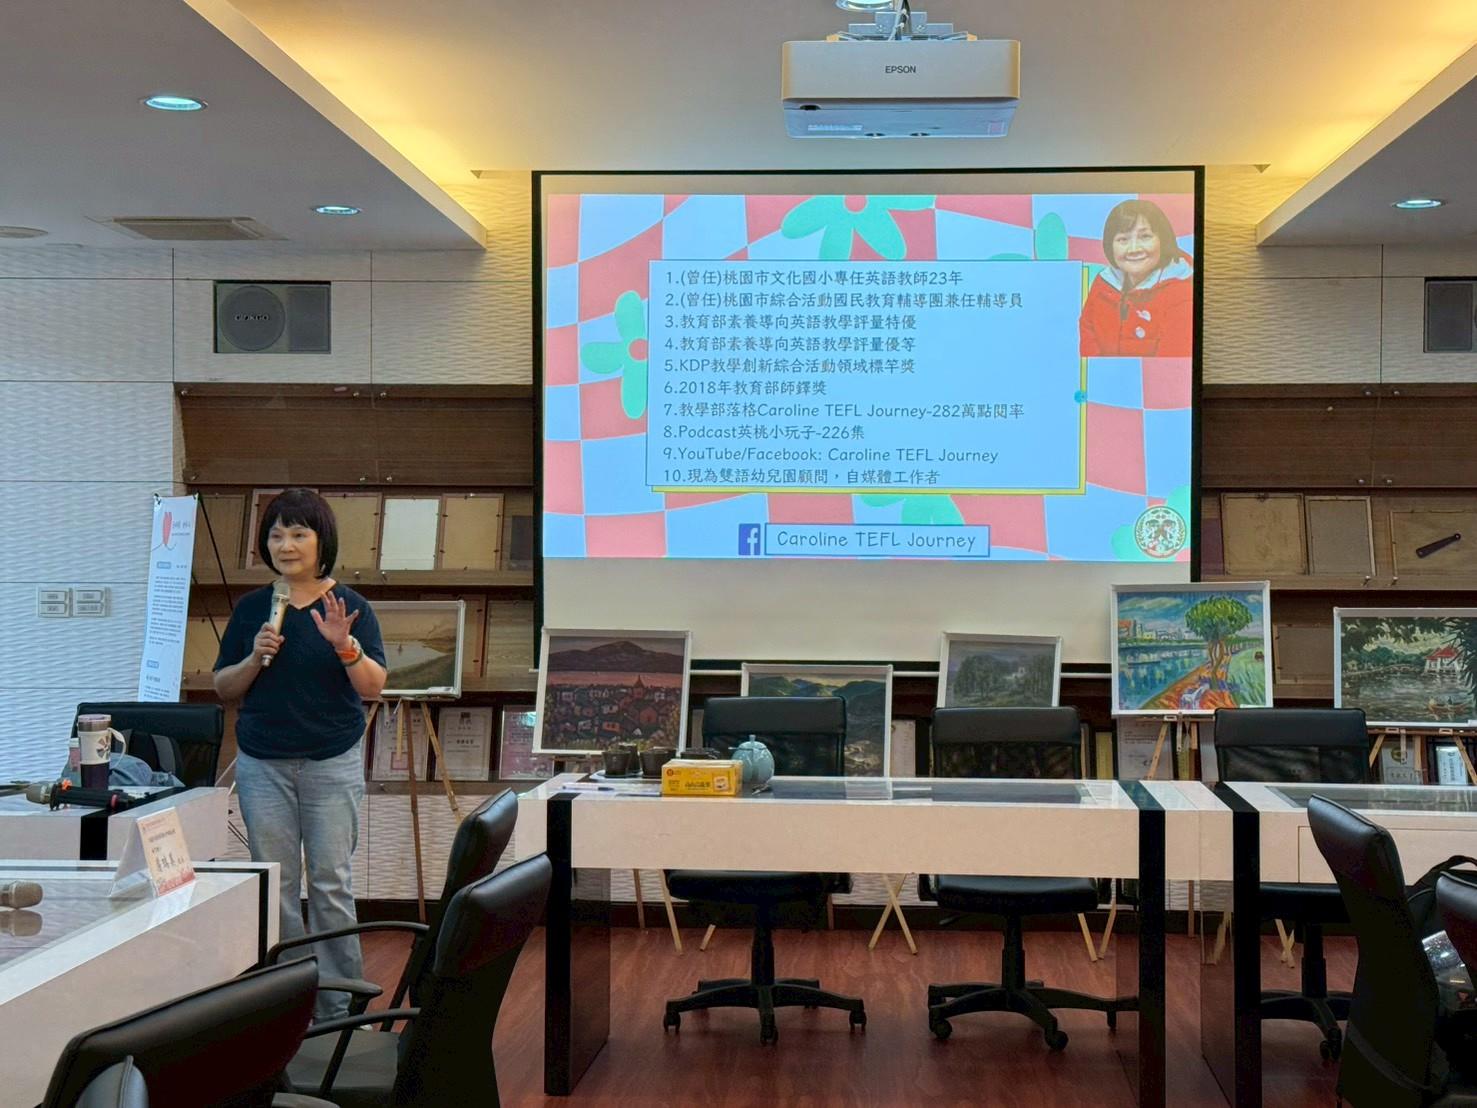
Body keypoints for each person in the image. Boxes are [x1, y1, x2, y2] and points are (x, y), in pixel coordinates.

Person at [213, 488, 387, 1019]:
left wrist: (344, 645)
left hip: (330, 760)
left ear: (320, 541)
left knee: (331, 883)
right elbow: (224, 687)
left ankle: (340, 1009)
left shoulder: (350, 607)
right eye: (276, 535)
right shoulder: (252, 609)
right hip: (262, 762)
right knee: (278, 885)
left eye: (298, 533)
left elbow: (373, 687)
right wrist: (253, 657)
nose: (285, 545)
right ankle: (289, 1007)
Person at [1078, 198, 1194, 357]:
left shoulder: (1181, 293)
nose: (1134, 249)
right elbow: (1088, 330)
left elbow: (1170, 366)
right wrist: (1099, 370)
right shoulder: (1103, 284)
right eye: (1123, 239)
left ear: (1163, 240)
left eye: (1145, 236)